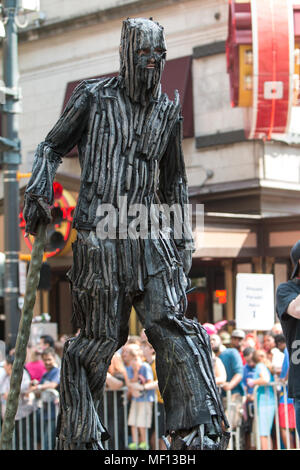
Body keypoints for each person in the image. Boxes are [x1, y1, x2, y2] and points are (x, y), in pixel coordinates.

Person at [23, 17, 229, 450]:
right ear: (126, 56)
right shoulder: (93, 98)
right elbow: (50, 147)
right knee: (99, 339)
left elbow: (174, 180)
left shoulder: (168, 111)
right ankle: (81, 436)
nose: (152, 64)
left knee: (173, 324)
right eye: (143, 56)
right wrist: (39, 184)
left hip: (148, 229)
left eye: (159, 57)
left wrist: (184, 237)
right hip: (99, 234)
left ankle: (197, 430)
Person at [0, 355, 36, 449]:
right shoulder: (4, 375)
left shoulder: (22, 374)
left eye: (5, 364)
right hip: (8, 415)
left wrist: (9, 394)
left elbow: (25, 388)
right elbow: (3, 392)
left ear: (10, 365)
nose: (4, 366)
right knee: (12, 440)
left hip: (23, 414)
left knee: (24, 440)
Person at [211, 334, 244, 433]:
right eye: (209, 340)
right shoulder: (210, 358)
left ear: (220, 340)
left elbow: (239, 373)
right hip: (218, 398)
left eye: (214, 339)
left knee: (227, 425)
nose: (211, 341)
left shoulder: (231, 352)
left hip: (234, 394)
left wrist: (229, 385)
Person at [29, 347, 60, 449]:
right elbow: (39, 393)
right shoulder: (45, 374)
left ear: (54, 358)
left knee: (48, 443)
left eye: (49, 359)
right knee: (44, 442)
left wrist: (38, 387)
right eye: (45, 360)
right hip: (45, 414)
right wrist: (34, 386)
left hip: (55, 414)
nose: (47, 362)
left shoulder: (57, 371)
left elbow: (53, 385)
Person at [126, 345, 155, 450]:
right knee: (133, 422)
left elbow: (149, 382)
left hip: (146, 399)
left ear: (141, 358)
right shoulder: (130, 368)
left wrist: (139, 387)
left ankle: (144, 443)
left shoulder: (146, 367)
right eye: (132, 359)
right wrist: (136, 372)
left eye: (136, 359)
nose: (134, 362)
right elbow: (130, 382)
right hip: (135, 399)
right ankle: (134, 442)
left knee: (142, 423)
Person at [247, 349, 276, 450]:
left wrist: (253, 382)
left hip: (264, 403)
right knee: (266, 432)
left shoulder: (260, 366)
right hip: (268, 402)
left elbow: (265, 379)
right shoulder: (266, 366)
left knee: (263, 433)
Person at [105, 352, 128, 450]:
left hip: (115, 411)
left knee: (114, 436)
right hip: (103, 410)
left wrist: (103, 372)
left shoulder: (119, 374)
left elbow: (116, 384)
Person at [242, 347, 255, 450]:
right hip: (248, 403)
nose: (250, 363)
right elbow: (243, 386)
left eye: (251, 360)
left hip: (260, 402)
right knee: (248, 429)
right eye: (248, 361)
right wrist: (247, 396)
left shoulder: (260, 366)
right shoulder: (244, 369)